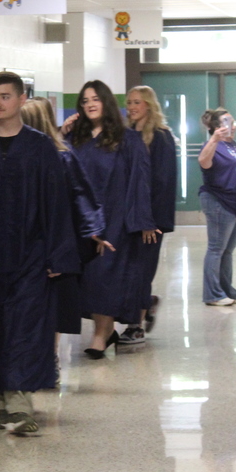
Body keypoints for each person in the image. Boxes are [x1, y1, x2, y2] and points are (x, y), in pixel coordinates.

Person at [0, 71, 78, 434]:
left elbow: (57, 204)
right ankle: (0, 401)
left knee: (26, 328)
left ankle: (21, 404)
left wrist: (58, 255)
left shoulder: (41, 148)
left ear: (22, 99)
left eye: (5, 96)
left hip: (31, 255)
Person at [62, 80, 153, 357]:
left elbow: (140, 181)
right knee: (87, 279)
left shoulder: (127, 140)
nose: (90, 104)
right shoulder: (75, 139)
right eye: (85, 100)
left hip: (115, 218)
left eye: (95, 99)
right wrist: (60, 132)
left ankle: (100, 336)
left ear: (106, 103)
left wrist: (143, 220)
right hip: (82, 220)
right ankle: (106, 331)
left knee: (106, 276)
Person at [21, 97, 108, 344]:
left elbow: (79, 197)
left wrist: (92, 231)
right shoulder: (56, 155)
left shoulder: (60, 157)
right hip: (46, 242)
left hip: (49, 242)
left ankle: (48, 357)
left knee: (49, 301)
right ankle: (47, 357)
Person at [119, 85, 177, 343]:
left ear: (149, 106)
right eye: (129, 102)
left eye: (137, 103)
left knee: (142, 271)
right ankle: (146, 303)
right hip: (127, 218)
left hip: (150, 220)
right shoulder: (126, 135)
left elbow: (163, 183)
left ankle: (136, 325)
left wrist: (149, 221)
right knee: (129, 271)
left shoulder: (161, 137)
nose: (131, 107)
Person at [198, 108, 236, 307]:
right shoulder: (213, 145)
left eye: (233, 121)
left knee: (228, 250)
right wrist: (214, 139)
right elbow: (203, 161)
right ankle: (212, 294)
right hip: (218, 201)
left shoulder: (233, 145)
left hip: (235, 203)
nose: (232, 125)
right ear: (217, 127)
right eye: (227, 122)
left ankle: (227, 290)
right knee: (216, 248)